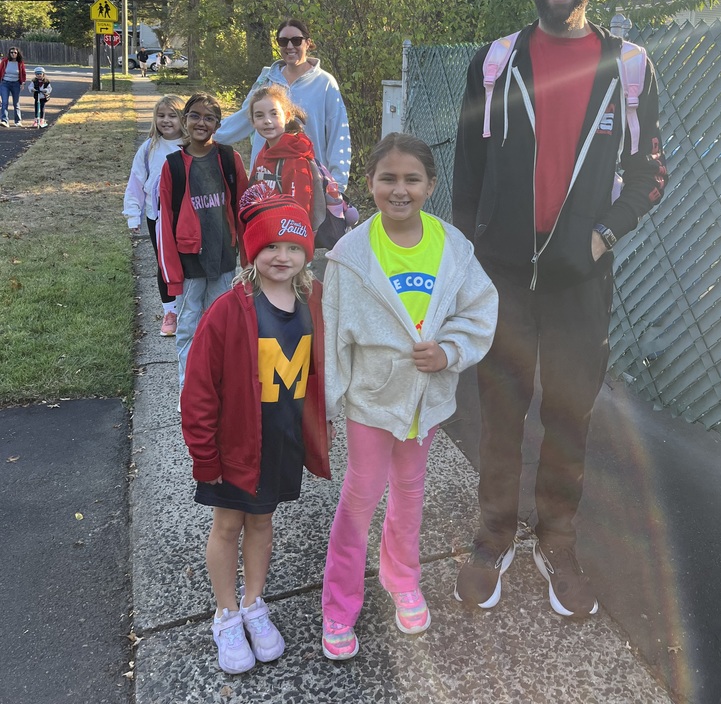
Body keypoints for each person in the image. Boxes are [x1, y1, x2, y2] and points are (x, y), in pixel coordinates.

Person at [452, 0, 667, 618]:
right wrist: (469, 265)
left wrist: (603, 234)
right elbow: (467, 174)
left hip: (582, 283)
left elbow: (651, 173)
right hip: (503, 280)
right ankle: (492, 535)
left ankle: (558, 540)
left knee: (570, 417)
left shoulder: (629, 68)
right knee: (501, 411)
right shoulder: (494, 61)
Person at [320, 133, 498, 660]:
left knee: (411, 493)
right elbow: (333, 338)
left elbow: (480, 308)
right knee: (360, 498)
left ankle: (402, 578)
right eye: (388, 179)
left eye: (412, 179)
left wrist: (450, 350)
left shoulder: (452, 247)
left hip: (426, 402)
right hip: (371, 403)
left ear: (431, 185)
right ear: (369, 183)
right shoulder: (350, 257)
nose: (400, 190)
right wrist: (328, 408)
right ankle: (340, 604)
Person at [181, 187, 331, 675]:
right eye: (269, 246)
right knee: (227, 526)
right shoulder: (228, 310)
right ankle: (225, 615)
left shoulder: (314, 302)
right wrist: (205, 455)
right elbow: (200, 389)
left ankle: (253, 603)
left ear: (307, 251)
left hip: (281, 445)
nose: (282, 256)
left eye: (292, 247)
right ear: (252, 251)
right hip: (233, 448)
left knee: (263, 523)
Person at [157, 93, 248, 396]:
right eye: (195, 116)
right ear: (184, 120)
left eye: (209, 118)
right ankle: (190, 390)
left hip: (223, 258)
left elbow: (243, 208)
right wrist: (171, 273)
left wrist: (246, 259)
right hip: (190, 262)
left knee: (221, 324)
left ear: (218, 124)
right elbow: (165, 224)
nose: (201, 122)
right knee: (188, 327)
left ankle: (219, 386)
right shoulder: (174, 166)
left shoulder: (228, 159)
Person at [217, 19, 351, 192]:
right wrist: (211, 134)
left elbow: (338, 133)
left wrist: (337, 184)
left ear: (308, 43)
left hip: (307, 183)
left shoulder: (325, 83)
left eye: (296, 40)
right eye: (283, 41)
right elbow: (245, 117)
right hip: (265, 180)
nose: (290, 46)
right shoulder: (267, 80)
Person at [123, 95, 186, 336]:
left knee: (188, 262)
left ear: (183, 118)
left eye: (172, 115)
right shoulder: (149, 147)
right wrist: (132, 213)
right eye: (161, 116)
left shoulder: (191, 145)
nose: (166, 121)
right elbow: (136, 181)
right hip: (156, 216)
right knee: (164, 263)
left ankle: (190, 308)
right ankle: (170, 312)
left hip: (185, 216)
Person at [249, 84, 326, 230]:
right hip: (266, 231)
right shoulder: (263, 154)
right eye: (259, 115)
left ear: (287, 117)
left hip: (288, 239)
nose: (267, 120)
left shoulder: (295, 158)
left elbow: (299, 212)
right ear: (253, 122)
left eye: (274, 114)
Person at [0, 47, 26, 127]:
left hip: (16, 84)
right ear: (9, 53)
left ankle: (17, 121)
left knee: (16, 103)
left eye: (15, 53)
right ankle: (4, 120)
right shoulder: (5, 61)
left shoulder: (20, 63)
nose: (13, 54)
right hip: (5, 83)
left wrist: (22, 83)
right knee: (4, 102)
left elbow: (23, 73)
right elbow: (0, 71)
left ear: (17, 54)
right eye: (11, 52)